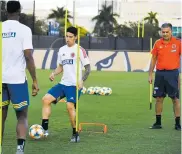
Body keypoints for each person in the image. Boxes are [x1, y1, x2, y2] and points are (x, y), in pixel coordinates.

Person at [41, 26, 91, 142]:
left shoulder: (80, 50)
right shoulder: (62, 50)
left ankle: (75, 133)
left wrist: (82, 80)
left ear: (76, 37)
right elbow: (60, 67)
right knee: (45, 99)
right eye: (66, 36)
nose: (67, 39)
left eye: (70, 37)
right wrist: (54, 73)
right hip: (63, 84)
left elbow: (88, 69)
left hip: (74, 85)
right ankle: (44, 130)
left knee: (69, 106)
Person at [2, 1, 39, 154]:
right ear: (19, 11)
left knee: (1, 115)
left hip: (0, 80)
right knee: (22, 115)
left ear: (6, 10)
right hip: (17, 79)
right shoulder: (24, 30)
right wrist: (35, 80)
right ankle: (19, 150)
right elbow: (28, 56)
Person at [148, 23, 181, 130]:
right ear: (161, 32)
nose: (165, 34)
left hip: (173, 74)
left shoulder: (178, 43)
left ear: (171, 31)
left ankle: (177, 124)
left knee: (175, 99)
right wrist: (150, 74)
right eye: (163, 32)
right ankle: (158, 123)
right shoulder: (158, 43)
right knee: (159, 98)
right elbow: (153, 59)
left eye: (167, 32)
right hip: (160, 74)